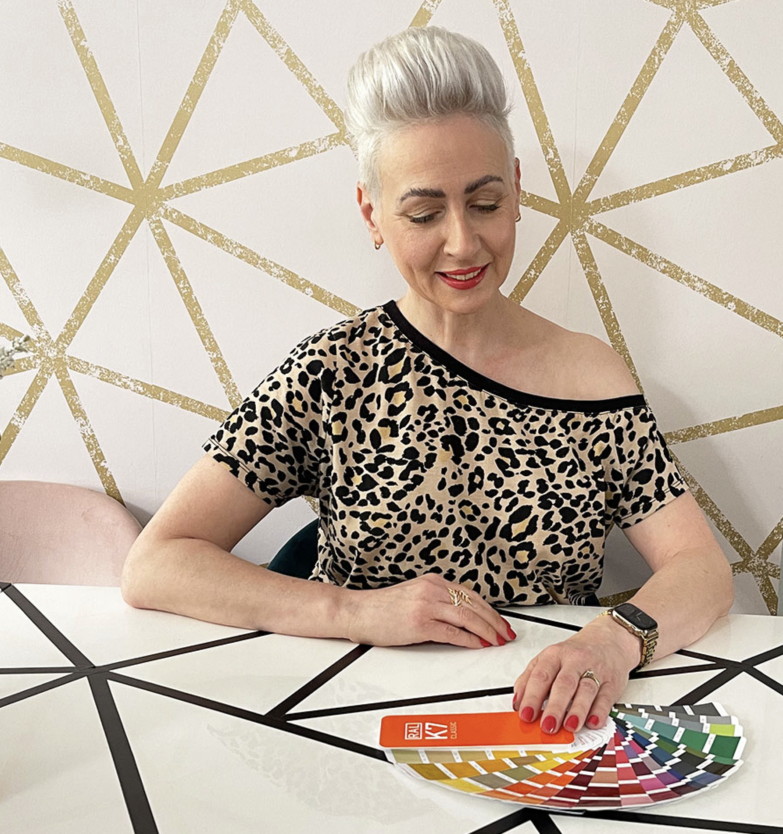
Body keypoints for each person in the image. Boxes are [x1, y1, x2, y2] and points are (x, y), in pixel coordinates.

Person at [121, 26, 732, 737]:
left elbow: (699, 568)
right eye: (422, 213)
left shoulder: (589, 374)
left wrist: (612, 640)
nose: (462, 243)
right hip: (347, 718)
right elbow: (157, 563)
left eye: (484, 203)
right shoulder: (332, 372)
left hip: (536, 731)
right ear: (371, 213)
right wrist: (356, 610)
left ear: (517, 193)